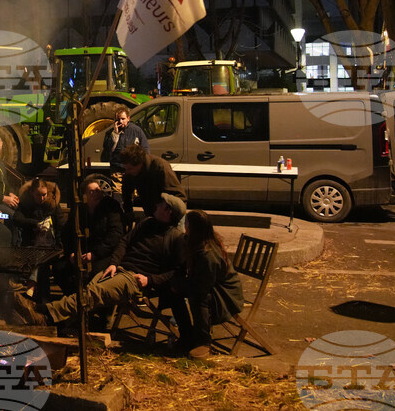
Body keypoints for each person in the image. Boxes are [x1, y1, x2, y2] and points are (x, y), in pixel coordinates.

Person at [14, 193, 187, 326]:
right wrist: (114, 263)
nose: (157, 205)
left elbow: (177, 272)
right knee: (89, 291)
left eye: (162, 205)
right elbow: (124, 242)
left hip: (135, 278)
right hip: (120, 269)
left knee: (93, 294)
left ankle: (43, 312)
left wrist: (149, 280)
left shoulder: (175, 237)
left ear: (168, 212)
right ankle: (55, 321)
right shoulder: (148, 223)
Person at [168, 210, 245, 357]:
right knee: (173, 293)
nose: (185, 227)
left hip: (225, 294)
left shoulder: (207, 253)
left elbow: (202, 286)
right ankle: (187, 334)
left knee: (198, 298)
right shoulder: (195, 243)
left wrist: (181, 286)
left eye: (188, 225)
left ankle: (203, 341)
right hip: (209, 285)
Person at [57, 176, 124, 294]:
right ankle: (72, 299)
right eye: (92, 191)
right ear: (84, 195)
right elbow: (67, 233)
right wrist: (71, 253)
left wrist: (95, 254)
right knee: (60, 269)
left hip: (104, 253)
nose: (97, 193)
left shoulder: (110, 206)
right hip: (82, 252)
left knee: (94, 273)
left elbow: (115, 234)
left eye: (98, 190)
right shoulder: (79, 209)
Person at [118, 144, 185, 219]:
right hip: (152, 213)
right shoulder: (130, 172)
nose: (127, 172)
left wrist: (168, 216)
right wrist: (128, 211)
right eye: (125, 168)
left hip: (168, 216)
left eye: (130, 169)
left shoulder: (161, 168)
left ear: (140, 164)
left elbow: (179, 198)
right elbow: (127, 192)